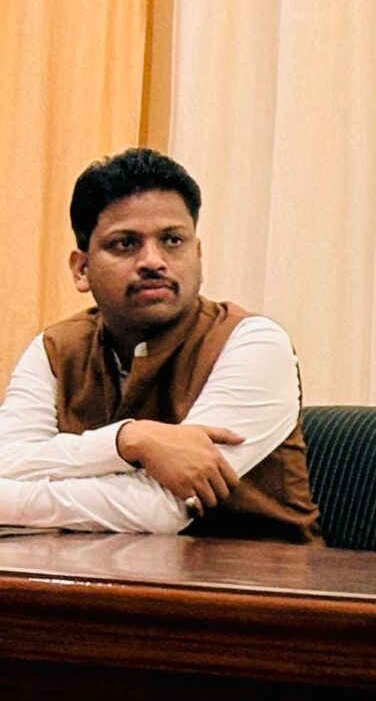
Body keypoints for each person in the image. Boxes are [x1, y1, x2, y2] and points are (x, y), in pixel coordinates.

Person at [0, 149, 319, 541]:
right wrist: (128, 441)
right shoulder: (55, 349)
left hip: (251, 576)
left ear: (198, 255)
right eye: (125, 244)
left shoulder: (254, 344)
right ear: (82, 269)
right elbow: (6, 459)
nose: (153, 261)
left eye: (172, 240)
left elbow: (160, 508)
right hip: (87, 574)